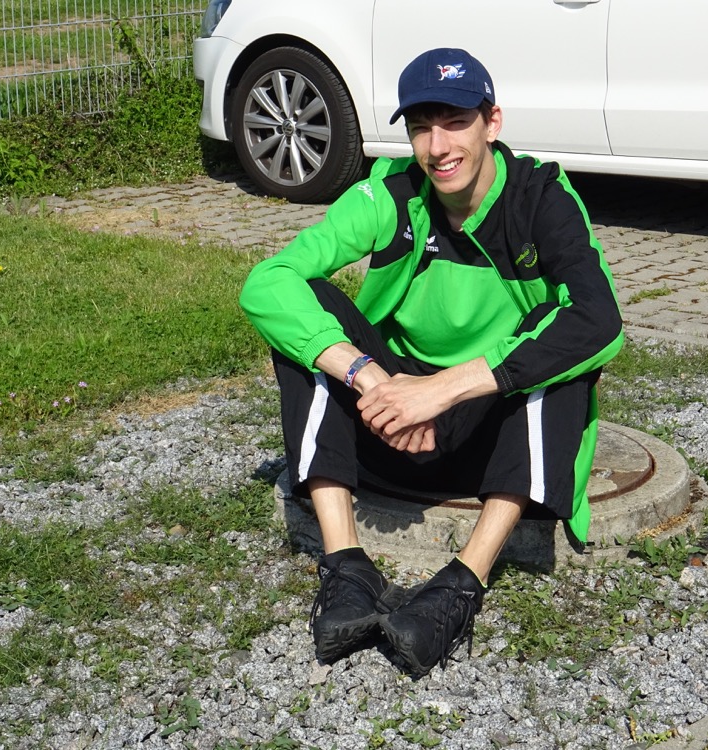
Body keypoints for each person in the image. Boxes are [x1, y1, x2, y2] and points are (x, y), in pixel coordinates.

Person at [239, 47, 624, 677]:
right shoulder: (389, 195)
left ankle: (462, 585)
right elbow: (267, 282)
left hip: (489, 437)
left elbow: (600, 320)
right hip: (391, 422)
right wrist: (373, 378)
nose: (438, 146)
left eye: (455, 122)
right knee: (309, 315)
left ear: (492, 122)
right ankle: (347, 568)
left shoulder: (539, 197)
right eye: (421, 127)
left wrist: (444, 389)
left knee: (556, 335)